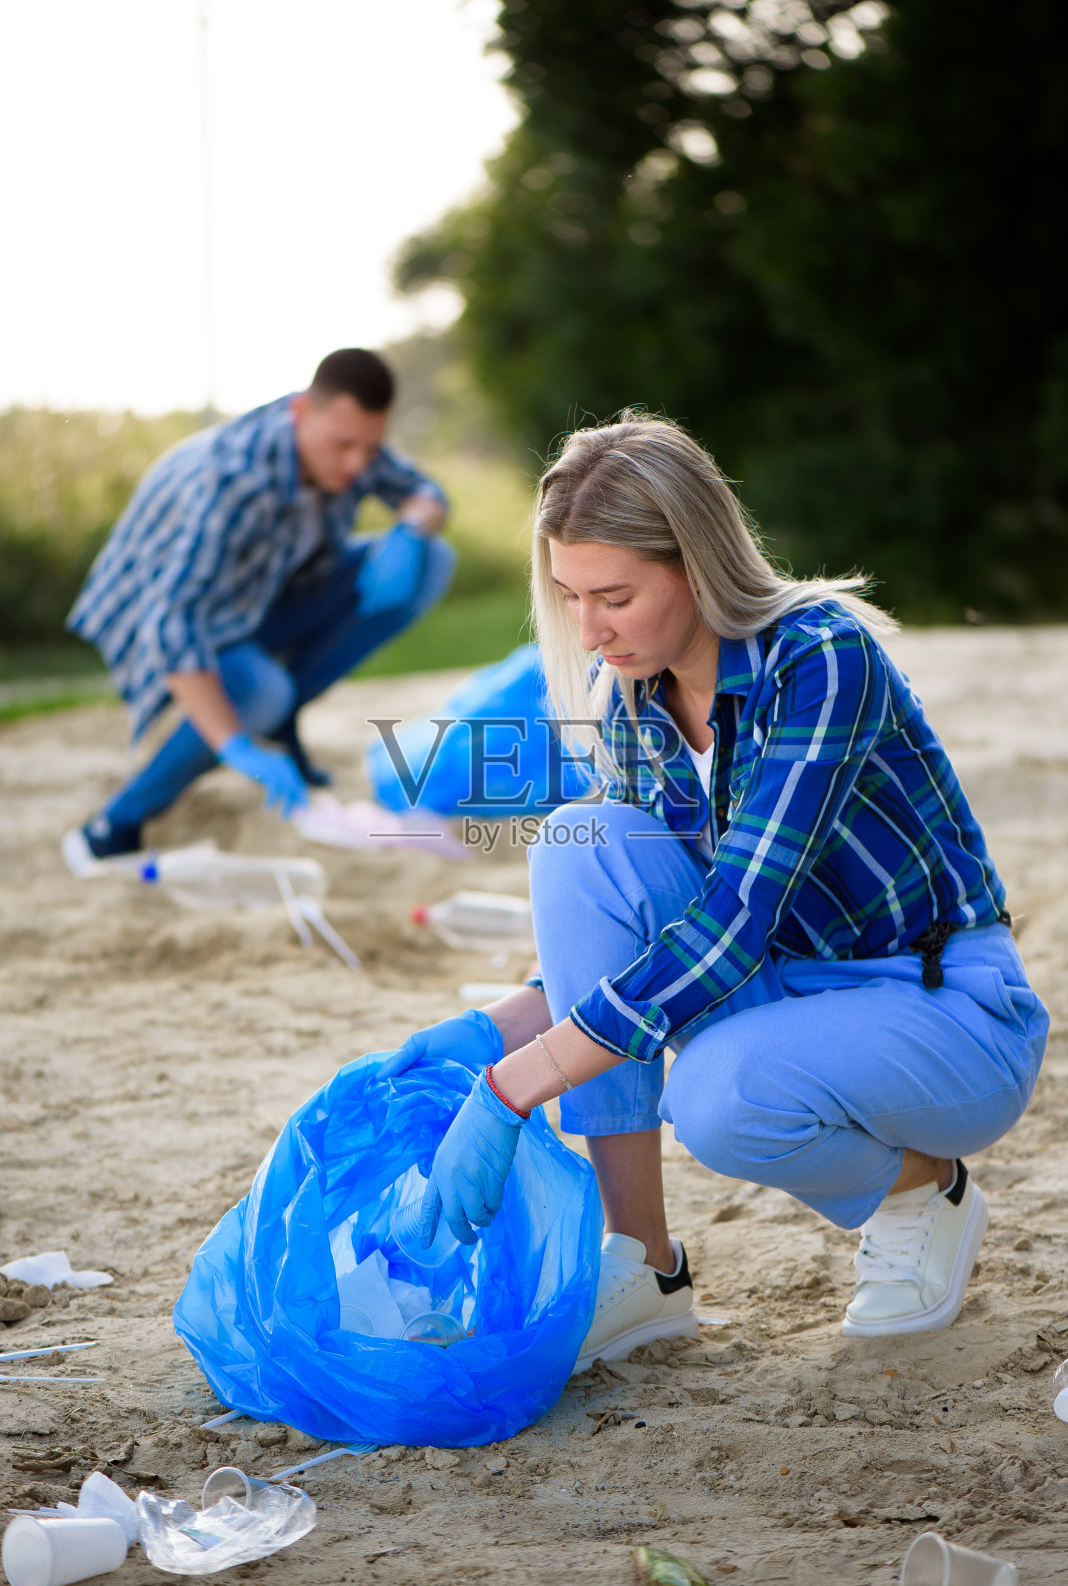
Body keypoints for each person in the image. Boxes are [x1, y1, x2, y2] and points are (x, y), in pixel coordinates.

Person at [386, 413, 1049, 1368]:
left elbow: (735, 919)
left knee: (718, 1096)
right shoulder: (635, 700)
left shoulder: (819, 659)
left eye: (614, 595)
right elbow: (624, 926)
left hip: (941, 1010)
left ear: (695, 565)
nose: (588, 629)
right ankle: (644, 1264)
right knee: (580, 840)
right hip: (787, 988)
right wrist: (498, 1029)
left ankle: (921, 1189)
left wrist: (515, 1086)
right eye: (570, 597)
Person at [64, 347, 453, 866]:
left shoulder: (348, 440)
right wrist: (233, 745)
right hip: (155, 616)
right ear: (300, 411)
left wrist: (413, 527)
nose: (358, 465)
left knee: (431, 559)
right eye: (343, 446)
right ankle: (115, 823)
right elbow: (174, 624)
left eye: (370, 446)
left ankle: (278, 718)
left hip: (258, 598)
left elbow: (425, 491)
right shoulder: (231, 482)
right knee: (259, 692)